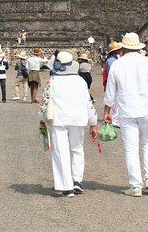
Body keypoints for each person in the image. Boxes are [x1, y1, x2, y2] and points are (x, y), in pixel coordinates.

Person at [104, 33, 148, 197]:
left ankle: (135, 185)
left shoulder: (117, 65)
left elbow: (110, 93)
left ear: (123, 47)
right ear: (138, 46)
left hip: (127, 110)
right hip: (147, 110)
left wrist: (106, 111)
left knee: (131, 148)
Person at [39, 51, 98, 196]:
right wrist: (93, 123)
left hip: (58, 119)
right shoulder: (80, 81)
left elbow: (45, 103)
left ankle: (66, 186)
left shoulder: (52, 81)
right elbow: (88, 103)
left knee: (61, 152)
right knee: (77, 149)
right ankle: (77, 180)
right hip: (78, 119)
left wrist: (41, 119)